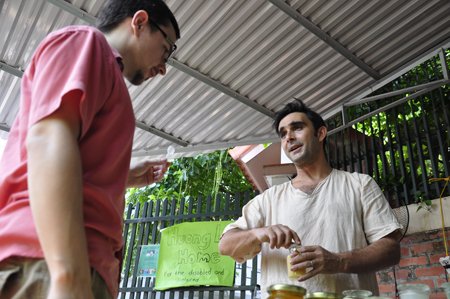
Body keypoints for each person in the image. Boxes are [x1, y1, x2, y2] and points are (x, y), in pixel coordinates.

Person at [0, 0, 180, 298]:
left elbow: (71, 160)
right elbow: (48, 138)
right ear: (139, 22)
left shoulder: (105, 72)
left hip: (65, 265)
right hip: (45, 261)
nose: (163, 68)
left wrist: (124, 178)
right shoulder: (88, 42)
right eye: (167, 48)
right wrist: (68, 275)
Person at [219, 99, 402, 298]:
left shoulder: (360, 185)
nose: (288, 137)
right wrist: (259, 234)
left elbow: (391, 249)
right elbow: (226, 245)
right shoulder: (268, 200)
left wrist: (338, 261)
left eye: (297, 128)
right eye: (283, 134)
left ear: (320, 133)